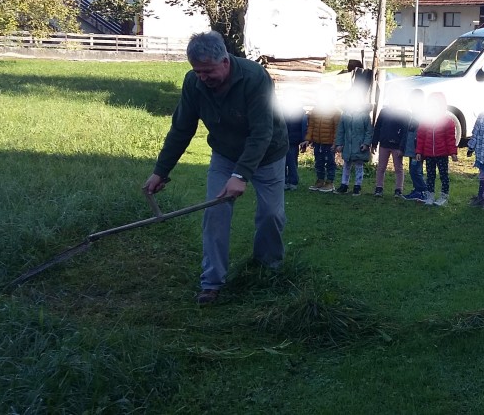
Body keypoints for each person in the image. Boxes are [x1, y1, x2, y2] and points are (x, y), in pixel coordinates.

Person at [143, 31, 289, 305]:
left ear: (225, 61)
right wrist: (161, 171)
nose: (202, 77)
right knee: (215, 213)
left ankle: (267, 270)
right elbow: (181, 129)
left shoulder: (254, 77)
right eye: (197, 71)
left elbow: (261, 133)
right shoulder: (194, 84)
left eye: (208, 71)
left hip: (267, 154)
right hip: (224, 154)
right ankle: (211, 283)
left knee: (271, 215)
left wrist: (240, 175)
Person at [415, 92, 458, 206]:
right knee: (430, 175)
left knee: (443, 175)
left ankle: (444, 196)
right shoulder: (425, 120)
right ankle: (430, 195)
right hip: (428, 154)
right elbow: (421, 137)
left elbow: (450, 139)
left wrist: (453, 152)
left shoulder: (447, 121)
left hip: (442, 154)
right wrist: (419, 151)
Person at [334, 88, 374, 196]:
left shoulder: (364, 115)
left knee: (359, 165)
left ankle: (357, 186)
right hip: (348, 145)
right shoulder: (345, 114)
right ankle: (344, 185)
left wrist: (366, 143)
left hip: (359, 145)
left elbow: (369, 131)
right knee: (346, 164)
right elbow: (341, 130)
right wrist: (339, 143)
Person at [371, 92, 408, 198]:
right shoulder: (384, 112)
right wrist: (374, 143)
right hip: (384, 144)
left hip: (397, 146)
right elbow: (377, 127)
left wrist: (402, 147)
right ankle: (379, 187)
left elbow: (405, 132)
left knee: (398, 168)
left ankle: (398, 189)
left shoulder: (403, 114)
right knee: (381, 167)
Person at [303, 89, 341, 192]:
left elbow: (337, 129)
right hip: (317, 142)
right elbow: (311, 126)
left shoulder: (335, 112)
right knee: (318, 162)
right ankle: (319, 181)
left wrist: (335, 143)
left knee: (330, 162)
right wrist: (308, 139)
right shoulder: (315, 111)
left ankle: (330, 183)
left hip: (329, 143)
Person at [401, 89, 428, 202]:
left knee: (415, 170)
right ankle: (418, 189)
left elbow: (421, 134)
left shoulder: (422, 115)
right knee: (415, 170)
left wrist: (419, 150)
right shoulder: (413, 114)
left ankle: (422, 191)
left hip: (417, 150)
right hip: (412, 149)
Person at [280, 94, 308, 191]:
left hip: (293, 141)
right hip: (281, 141)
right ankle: (283, 181)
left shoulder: (300, 113)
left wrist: (304, 140)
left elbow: (303, 127)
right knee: (282, 162)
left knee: (292, 162)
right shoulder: (280, 111)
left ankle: (293, 182)